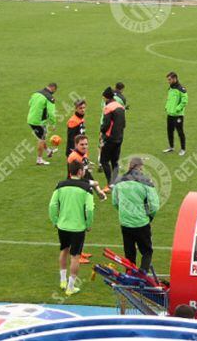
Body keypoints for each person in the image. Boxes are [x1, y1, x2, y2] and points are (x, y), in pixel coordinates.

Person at [49, 160, 95, 296]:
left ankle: (62, 280)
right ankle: (70, 287)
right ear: (80, 172)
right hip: (78, 228)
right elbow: (90, 209)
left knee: (64, 250)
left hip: (62, 226)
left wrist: (55, 221)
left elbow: (52, 205)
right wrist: (88, 224)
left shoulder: (60, 185)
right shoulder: (86, 188)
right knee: (75, 256)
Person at [112, 157, 160, 272]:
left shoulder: (119, 181)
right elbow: (154, 206)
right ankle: (142, 274)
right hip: (141, 223)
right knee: (147, 252)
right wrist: (149, 217)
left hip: (125, 223)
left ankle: (129, 276)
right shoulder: (146, 182)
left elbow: (115, 202)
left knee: (129, 254)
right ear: (140, 167)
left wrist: (124, 213)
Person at [100, 86, 126, 188]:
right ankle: (115, 181)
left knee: (104, 160)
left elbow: (106, 124)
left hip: (109, 138)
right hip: (119, 137)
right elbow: (124, 123)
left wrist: (102, 131)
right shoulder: (120, 106)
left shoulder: (108, 108)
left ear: (106, 98)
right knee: (115, 161)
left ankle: (110, 183)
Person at [67, 135, 106, 200]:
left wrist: (98, 189)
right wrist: (91, 183)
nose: (84, 147)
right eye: (82, 144)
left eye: (86, 144)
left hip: (81, 181)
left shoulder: (83, 153)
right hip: (74, 185)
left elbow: (86, 173)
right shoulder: (74, 157)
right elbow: (75, 177)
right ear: (76, 145)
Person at [27, 83, 57, 165]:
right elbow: (51, 112)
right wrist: (53, 123)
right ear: (53, 89)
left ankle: (48, 151)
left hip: (30, 119)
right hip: (39, 122)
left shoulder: (36, 93)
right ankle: (39, 160)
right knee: (41, 139)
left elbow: (30, 103)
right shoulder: (50, 98)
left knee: (42, 136)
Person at [164, 72, 188, 156]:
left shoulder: (181, 89)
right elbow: (169, 99)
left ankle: (183, 149)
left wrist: (177, 109)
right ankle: (171, 147)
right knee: (169, 131)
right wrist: (166, 106)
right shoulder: (170, 88)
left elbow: (184, 101)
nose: (168, 81)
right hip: (170, 114)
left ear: (175, 79)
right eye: (168, 80)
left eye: (169, 79)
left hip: (178, 115)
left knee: (180, 132)